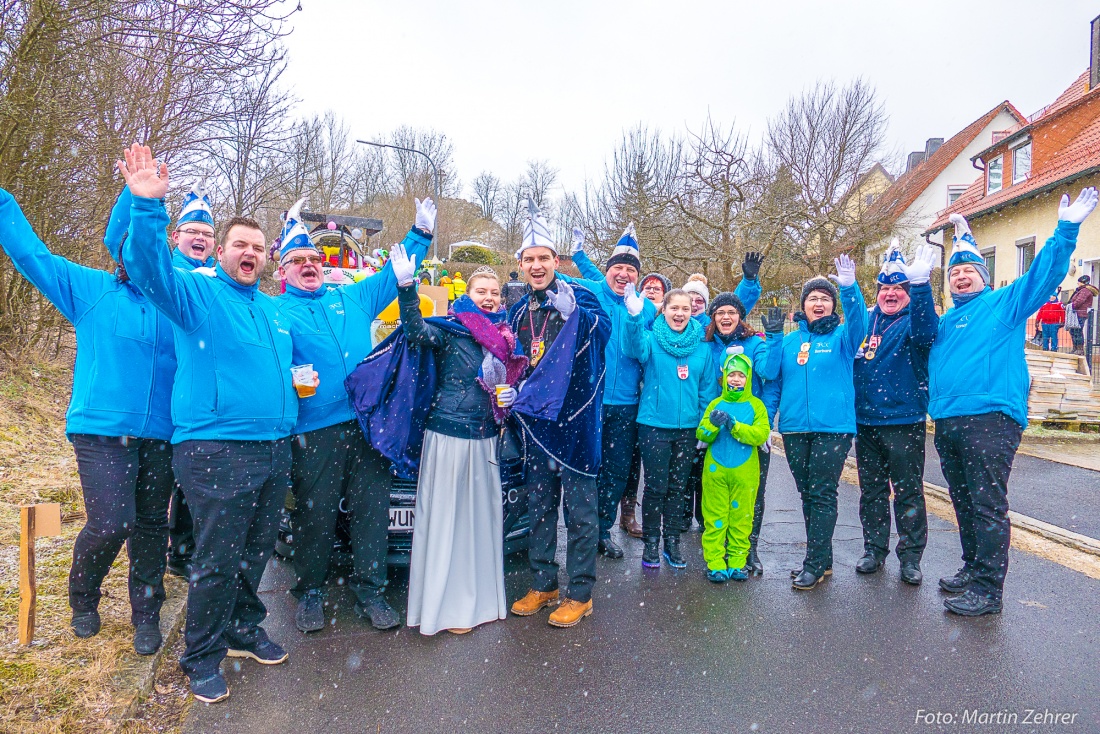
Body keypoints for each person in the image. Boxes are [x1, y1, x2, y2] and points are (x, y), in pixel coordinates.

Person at [119, 144, 315, 704]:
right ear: (222, 252)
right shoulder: (198, 294)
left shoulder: (272, 308)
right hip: (215, 450)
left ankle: (239, 628)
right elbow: (148, 268)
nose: (248, 254)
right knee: (217, 559)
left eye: (257, 247)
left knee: (255, 553)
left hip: (275, 447)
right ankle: (200, 656)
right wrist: (147, 207)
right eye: (239, 246)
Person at [0, 184, 176, 656]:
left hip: (162, 434)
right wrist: (3, 204)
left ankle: (146, 613)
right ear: (120, 249)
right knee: (112, 523)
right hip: (101, 431)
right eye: (132, 243)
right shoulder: (91, 289)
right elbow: (31, 255)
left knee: (151, 526)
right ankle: (83, 595)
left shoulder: (175, 302)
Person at [930, 189, 1097, 617]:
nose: (961, 277)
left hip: (990, 420)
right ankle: (973, 569)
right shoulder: (946, 320)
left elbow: (1043, 275)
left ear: (984, 276)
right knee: (963, 501)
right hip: (949, 421)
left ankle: (989, 591)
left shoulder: (1003, 304)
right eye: (954, 273)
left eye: (969, 270)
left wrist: (1066, 230)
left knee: (987, 504)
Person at [275, 198, 434, 634]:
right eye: (298, 260)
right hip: (313, 430)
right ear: (283, 270)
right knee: (316, 513)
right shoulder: (274, 311)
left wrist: (419, 236)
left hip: (367, 425)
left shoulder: (352, 297)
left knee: (371, 509)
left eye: (314, 258)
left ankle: (371, 589)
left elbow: (392, 275)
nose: (309, 265)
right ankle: (310, 591)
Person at [392, 261, 527, 635]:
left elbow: (507, 386)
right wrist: (406, 289)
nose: (488, 298)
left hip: (485, 438)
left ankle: (478, 602)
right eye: (481, 292)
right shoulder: (450, 329)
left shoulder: (505, 339)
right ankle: (444, 609)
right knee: (447, 523)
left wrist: (508, 397)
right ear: (467, 295)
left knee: (478, 523)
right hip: (448, 434)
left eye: (494, 292)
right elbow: (415, 331)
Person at [507, 201, 609, 628]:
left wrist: (577, 317)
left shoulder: (580, 296)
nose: (536, 266)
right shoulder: (518, 310)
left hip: (575, 425)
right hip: (536, 429)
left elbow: (605, 335)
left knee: (581, 515)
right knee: (540, 508)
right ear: (521, 264)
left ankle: (580, 593)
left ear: (556, 261)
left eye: (543, 258)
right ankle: (544, 582)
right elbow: (514, 357)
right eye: (529, 259)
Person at [759, 254, 867, 591]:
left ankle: (815, 562)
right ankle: (825, 559)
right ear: (803, 306)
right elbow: (770, 375)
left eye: (824, 298)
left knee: (822, 492)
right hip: (794, 428)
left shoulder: (843, 338)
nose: (818, 303)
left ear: (832, 306)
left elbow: (860, 323)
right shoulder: (791, 341)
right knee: (807, 493)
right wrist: (768, 424)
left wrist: (848, 289)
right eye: (812, 298)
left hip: (832, 428)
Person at [566, 224, 656, 559]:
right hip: (590, 400)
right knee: (585, 469)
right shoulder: (588, 291)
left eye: (631, 270)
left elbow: (641, 353)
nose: (623, 274)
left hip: (626, 403)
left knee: (617, 470)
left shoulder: (646, 309)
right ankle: (581, 533)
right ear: (608, 270)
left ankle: (602, 531)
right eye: (617, 267)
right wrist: (574, 254)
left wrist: (635, 316)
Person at [852, 242, 938, 586]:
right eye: (885, 289)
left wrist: (920, 289)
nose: (890, 294)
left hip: (904, 421)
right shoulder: (868, 322)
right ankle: (874, 550)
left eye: (897, 289)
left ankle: (911, 557)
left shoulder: (914, 322)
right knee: (871, 491)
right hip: (866, 422)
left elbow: (927, 329)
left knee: (908, 492)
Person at [623, 285, 717, 569]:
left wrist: (703, 429)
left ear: (692, 312)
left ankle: (672, 543)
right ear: (663, 310)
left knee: (678, 488)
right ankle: (651, 544)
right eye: (674, 308)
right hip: (653, 425)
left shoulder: (703, 349)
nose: (679, 314)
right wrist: (634, 317)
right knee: (655, 488)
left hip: (687, 430)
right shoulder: (651, 340)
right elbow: (633, 347)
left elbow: (707, 392)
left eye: (685, 309)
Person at [693, 290, 778, 575]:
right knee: (713, 498)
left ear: (740, 316)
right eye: (720, 313)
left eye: (731, 312)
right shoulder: (707, 344)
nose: (726, 317)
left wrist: (763, 423)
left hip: (750, 427)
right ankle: (716, 554)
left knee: (752, 495)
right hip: (715, 431)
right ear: (712, 318)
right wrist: (706, 426)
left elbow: (770, 373)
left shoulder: (754, 344)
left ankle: (746, 550)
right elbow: (704, 385)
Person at [165, 183, 218, 580]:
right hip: (163, 386)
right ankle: (172, 553)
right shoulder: (164, 271)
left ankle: (186, 553)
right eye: (192, 232)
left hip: (198, 393)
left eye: (206, 234)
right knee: (162, 484)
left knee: (190, 481)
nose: (199, 238)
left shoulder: (218, 278)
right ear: (176, 236)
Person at [696, 351, 770, 582]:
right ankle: (715, 562)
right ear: (724, 376)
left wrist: (735, 425)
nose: (736, 379)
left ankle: (738, 561)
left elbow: (761, 434)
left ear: (748, 377)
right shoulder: (716, 404)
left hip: (744, 473)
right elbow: (702, 434)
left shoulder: (756, 406)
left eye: (741, 375)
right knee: (715, 516)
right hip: (715, 472)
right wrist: (713, 425)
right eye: (732, 374)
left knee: (741, 517)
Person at [1068, 275, 1098, 354]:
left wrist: (1071, 306)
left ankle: (1079, 349)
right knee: (1074, 331)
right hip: (1078, 313)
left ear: (1083, 282)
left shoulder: (1085, 291)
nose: (1078, 283)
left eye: (1079, 282)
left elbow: (1079, 301)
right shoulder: (1082, 290)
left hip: (1080, 313)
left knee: (1077, 331)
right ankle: (1076, 348)